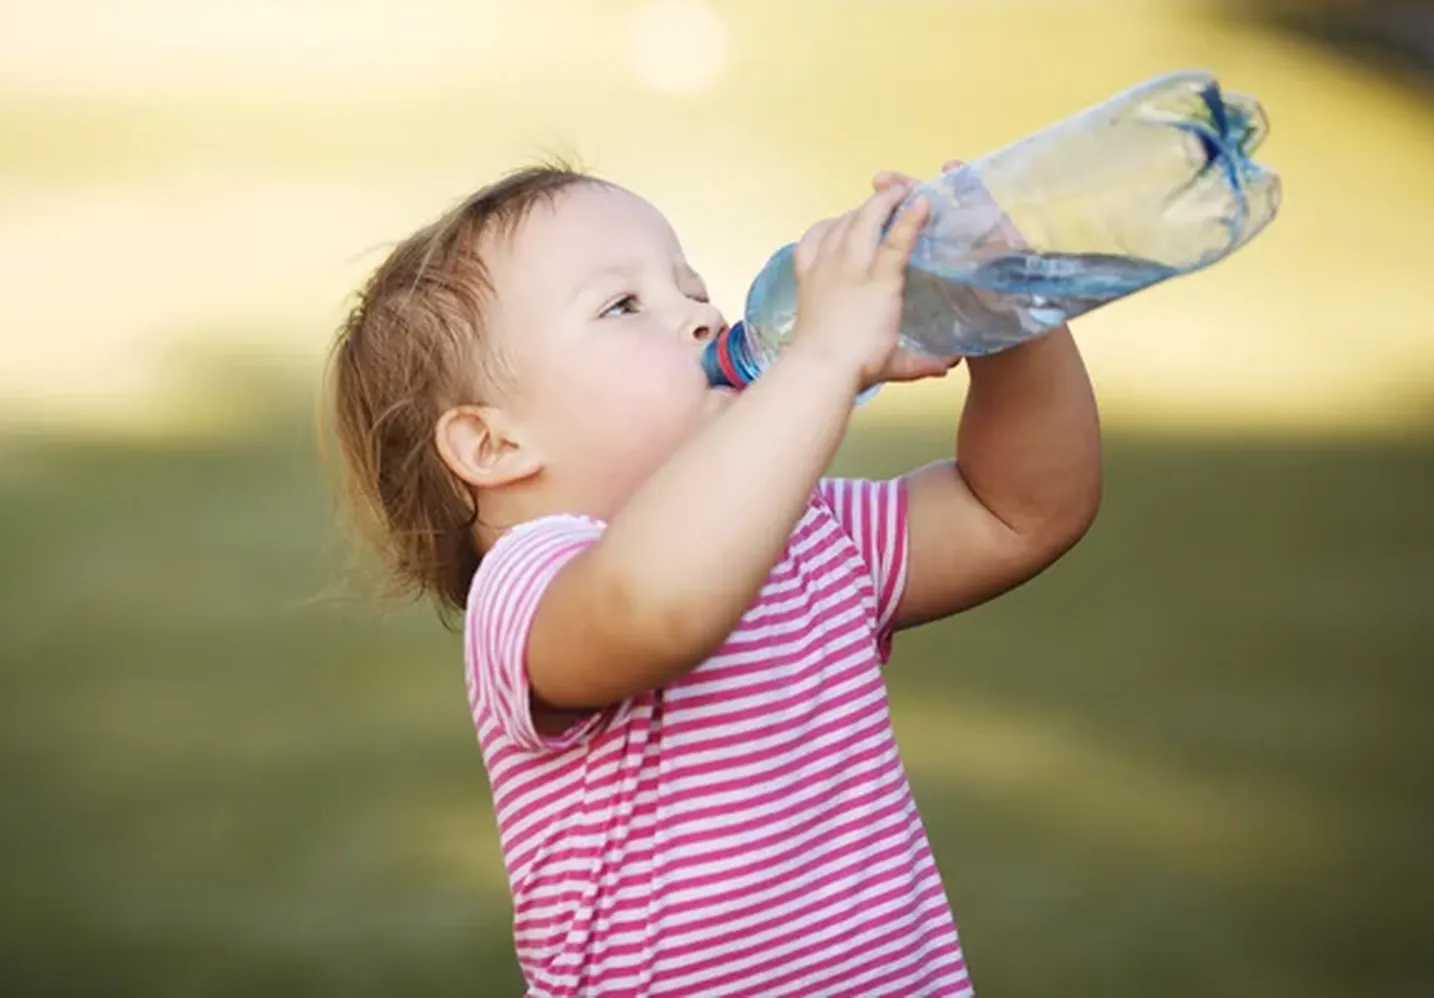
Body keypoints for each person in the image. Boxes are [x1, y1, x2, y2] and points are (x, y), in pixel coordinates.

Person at [326, 158, 1103, 996]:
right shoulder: (529, 584)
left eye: (690, 286)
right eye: (624, 305)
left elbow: (1023, 509)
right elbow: (657, 608)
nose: (701, 316)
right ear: (494, 446)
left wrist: (1007, 312)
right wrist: (824, 360)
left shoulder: (811, 535)